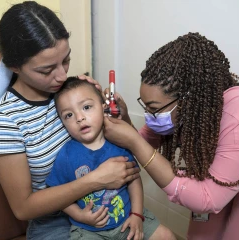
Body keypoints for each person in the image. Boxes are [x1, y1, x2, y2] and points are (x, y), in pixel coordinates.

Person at [103, 32, 239, 240]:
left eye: (153, 109)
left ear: (188, 99)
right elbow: (142, 145)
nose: (149, 116)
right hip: (217, 178)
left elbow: (209, 199)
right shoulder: (179, 109)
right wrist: (124, 120)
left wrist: (134, 141)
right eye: (146, 106)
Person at [0, 2, 141, 239]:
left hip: (109, 200)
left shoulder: (72, 92)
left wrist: (122, 115)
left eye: (66, 60)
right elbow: (23, 208)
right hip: (54, 221)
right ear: (15, 67)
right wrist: (95, 180)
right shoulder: (3, 120)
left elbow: (125, 144)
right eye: (46, 70)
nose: (62, 76)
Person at [46, 77, 175, 240]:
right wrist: (79, 215)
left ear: (103, 108)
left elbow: (134, 180)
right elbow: (58, 194)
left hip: (127, 220)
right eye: (69, 115)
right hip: (89, 230)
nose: (79, 118)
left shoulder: (119, 143)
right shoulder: (65, 155)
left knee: (166, 236)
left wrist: (136, 214)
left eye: (86, 107)